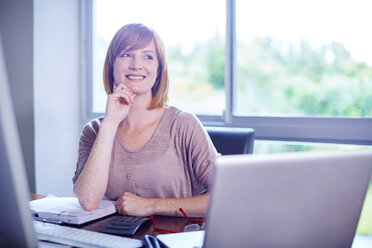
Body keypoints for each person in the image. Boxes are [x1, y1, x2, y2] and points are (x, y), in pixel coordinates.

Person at [73, 23, 219, 218]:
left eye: (148, 56)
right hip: (110, 240)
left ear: (158, 69)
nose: (136, 65)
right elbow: (88, 201)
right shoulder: (94, 131)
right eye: (126, 54)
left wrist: (151, 205)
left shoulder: (184, 125)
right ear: (111, 65)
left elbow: (226, 195)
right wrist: (110, 123)